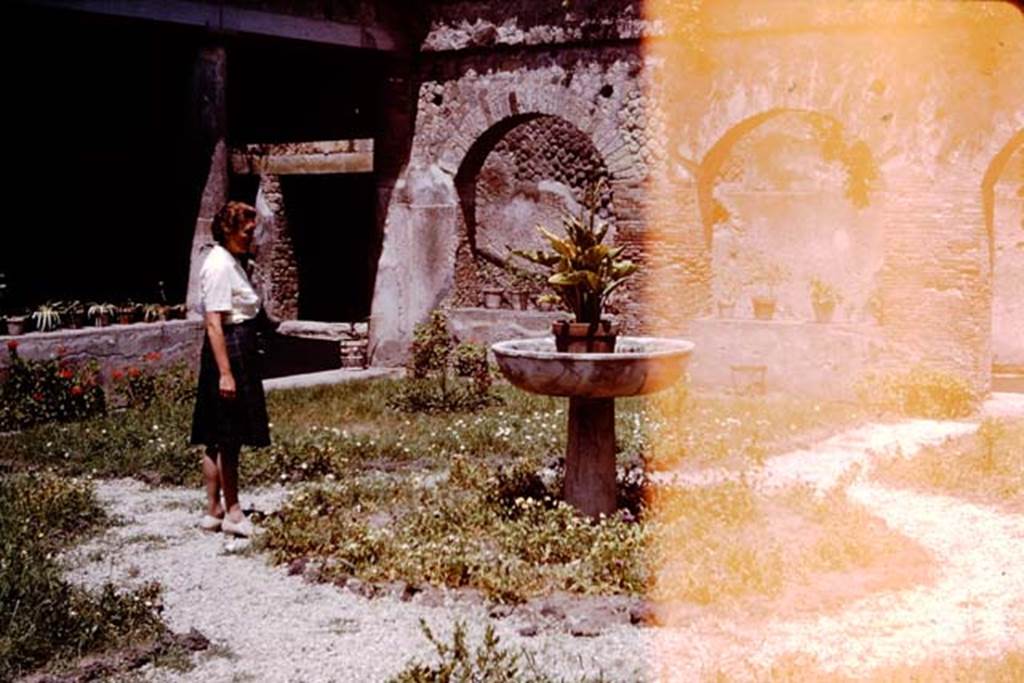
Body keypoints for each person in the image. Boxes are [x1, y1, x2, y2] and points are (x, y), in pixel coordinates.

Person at [190, 201, 270, 537]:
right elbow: (214, 324)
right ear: (228, 230)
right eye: (246, 231)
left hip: (233, 347)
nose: (252, 237)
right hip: (230, 349)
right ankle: (233, 514)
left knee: (216, 435)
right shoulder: (220, 265)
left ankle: (213, 510)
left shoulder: (230, 261)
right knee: (229, 437)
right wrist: (226, 373)